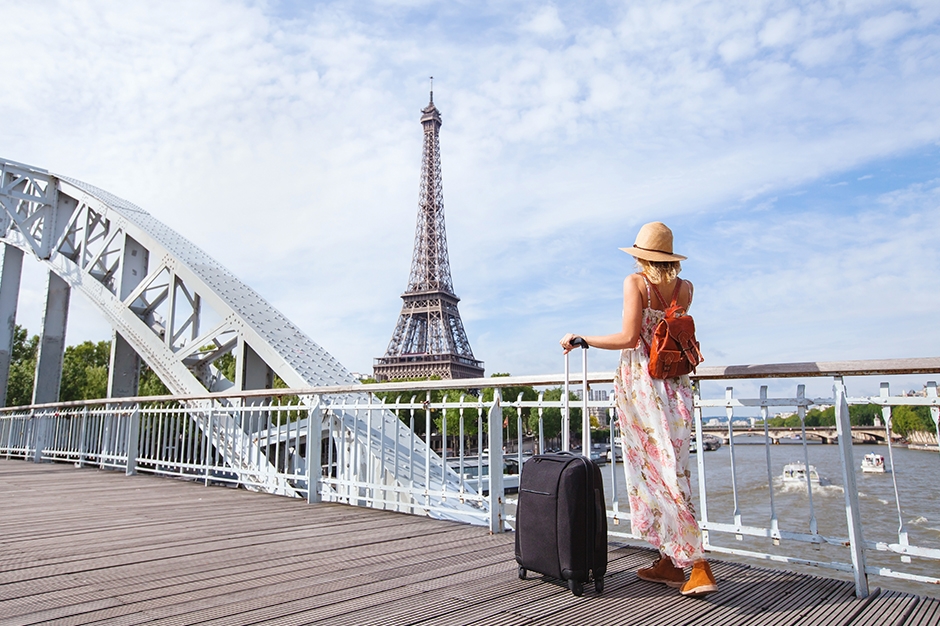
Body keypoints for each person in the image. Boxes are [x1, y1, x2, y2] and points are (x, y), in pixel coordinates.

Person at [560, 221, 718, 598]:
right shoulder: (686, 288)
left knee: (656, 476)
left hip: (644, 388)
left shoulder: (636, 283)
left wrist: (582, 338)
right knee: (671, 472)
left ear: (640, 256)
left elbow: (630, 337)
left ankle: (697, 564)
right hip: (676, 388)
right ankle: (668, 560)